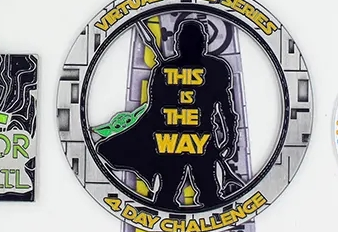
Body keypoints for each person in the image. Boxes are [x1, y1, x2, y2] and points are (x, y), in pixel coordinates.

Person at [97, 18, 240, 210]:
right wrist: (230, 139)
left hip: (182, 143)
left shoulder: (166, 70)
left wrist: (230, 139)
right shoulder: (214, 68)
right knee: (181, 196)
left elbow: (156, 114)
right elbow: (225, 109)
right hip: (189, 142)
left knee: (195, 196)